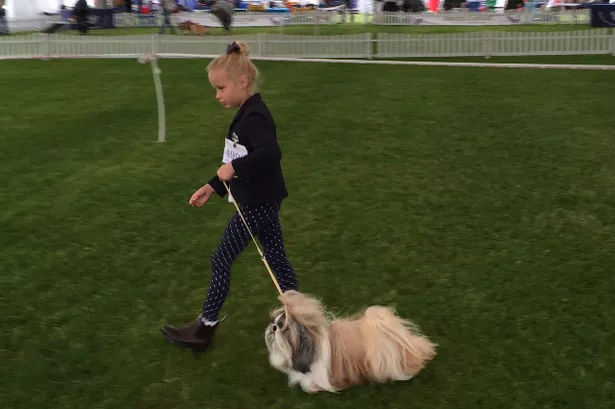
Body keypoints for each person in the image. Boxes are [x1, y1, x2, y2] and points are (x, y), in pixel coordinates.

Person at [160, 41, 300, 351]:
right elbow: (234, 159)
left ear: (243, 82)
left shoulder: (255, 117)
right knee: (276, 259)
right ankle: (302, 321)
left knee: (221, 258)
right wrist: (212, 186)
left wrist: (234, 166)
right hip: (261, 198)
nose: (217, 95)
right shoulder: (247, 113)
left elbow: (270, 153)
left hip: (257, 202)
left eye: (221, 88)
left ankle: (204, 328)